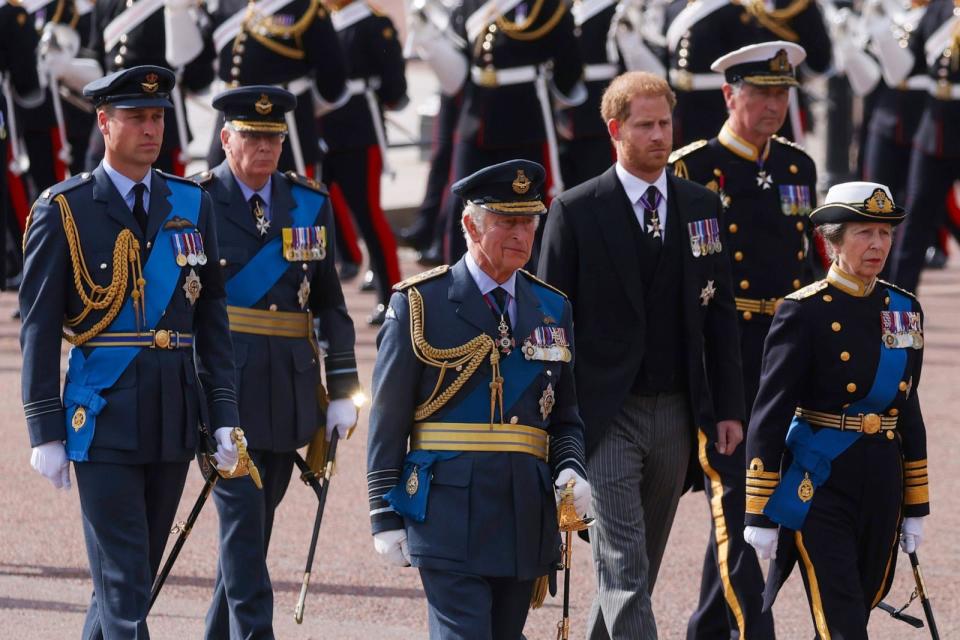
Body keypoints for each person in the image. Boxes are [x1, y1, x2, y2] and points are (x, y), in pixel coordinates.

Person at [19, 65, 241, 638]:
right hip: (103, 415)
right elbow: (40, 327)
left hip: (173, 416)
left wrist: (223, 417)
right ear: (104, 123)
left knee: (128, 580)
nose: (151, 128)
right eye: (137, 117)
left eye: (158, 117)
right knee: (123, 581)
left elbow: (211, 321)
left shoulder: (192, 203)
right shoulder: (63, 208)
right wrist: (43, 427)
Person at [538, 71, 745, 639]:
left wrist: (728, 408)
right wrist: (555, 423)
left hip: (678, 413)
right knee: (624, 570)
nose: (660, 135)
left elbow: (720, 316)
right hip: (605, 416)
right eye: (645, 125)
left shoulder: (702, 205)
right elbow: (549, 324)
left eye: (665, 123)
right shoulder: (576, 211)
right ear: (615, 130)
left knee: (634, 572)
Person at [367, 159, 590, 639]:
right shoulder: (421, 303)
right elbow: (388, 417)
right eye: (507, 222)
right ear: (470, 224)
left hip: (523, 512)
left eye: (529, 221)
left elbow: (566, 417)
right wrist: (382, 512)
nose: (522, 234)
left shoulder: (553, 306)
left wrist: (572, 468)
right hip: (446, 508)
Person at [191, 85, 361, 640]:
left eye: (273, 137)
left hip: (288, 397)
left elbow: (331, 304)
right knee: (242, 529)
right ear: (225, 138)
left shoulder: (308, 202)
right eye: (252, 136)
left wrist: (341, 388)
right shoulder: (196, 201)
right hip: (225, 394)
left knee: (250, 536)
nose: (265, 148)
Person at [669, 40, 818, 640]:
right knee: (735, 495)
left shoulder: (796, 167)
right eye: (761, 94)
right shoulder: (695, 168)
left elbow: (808, 266)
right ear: (730, 95)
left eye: (782, 94)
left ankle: (708, 629)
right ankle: (756, 631)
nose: (774, 106)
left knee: (773, 495)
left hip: (785, 348)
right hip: (725, 351)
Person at [743, 181, 929, 640]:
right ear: (832, 240)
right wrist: (758, 511)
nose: (878, 245)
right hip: (820, 482)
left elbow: (908, 411)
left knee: (856, 611)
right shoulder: (803, 311)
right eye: (865, 232)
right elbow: (771, 410)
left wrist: (916, 505)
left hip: (883, 479)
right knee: (842, 622)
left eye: (885, 234)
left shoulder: (904, 309)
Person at [407, 0, 586, 263]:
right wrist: (429, 41)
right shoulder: (471, 5)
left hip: (525, 120)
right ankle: (457, 288)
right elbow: (459, 70)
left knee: (532, 209)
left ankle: (541, 288)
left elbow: (568, 71)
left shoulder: (546, 6)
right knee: (464, 206)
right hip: (476, 120)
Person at [319, 0, 407, 325]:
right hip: (321, 128)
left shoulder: (372, 24)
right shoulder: (321, 21)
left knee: (369, 216)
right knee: (316, 209)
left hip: (358, 131)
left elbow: (394, 86)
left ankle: (393, 295)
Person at [85, 0, 212, 174]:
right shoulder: (107, 4)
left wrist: (180, 15)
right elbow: (97, 60)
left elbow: (199, 77)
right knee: (95, 188)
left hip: (159, 118)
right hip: (112, 117)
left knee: (165, 195)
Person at [888, 0, 960, 292]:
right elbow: (910, 63)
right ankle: (899, 303)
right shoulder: (938, 9)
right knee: (914, 217)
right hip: (935, 128)